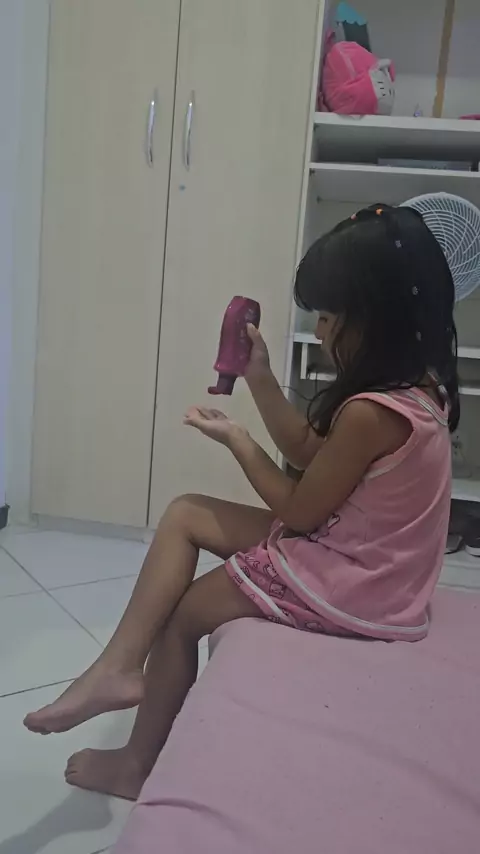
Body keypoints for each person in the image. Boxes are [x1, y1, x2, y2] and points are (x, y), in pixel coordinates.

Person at [24, 204, 458, 801]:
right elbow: (308, 452)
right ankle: (118, 668)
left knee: (184, 616)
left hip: (355, 582)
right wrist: (258, 374)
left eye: (329, 316)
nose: (321, 331)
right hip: (367, 557)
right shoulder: (419, 388)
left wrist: (239, 442)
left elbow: (301, 511)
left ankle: (137, 765)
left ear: (374, 319)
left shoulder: (370, 413)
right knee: (186, 513)